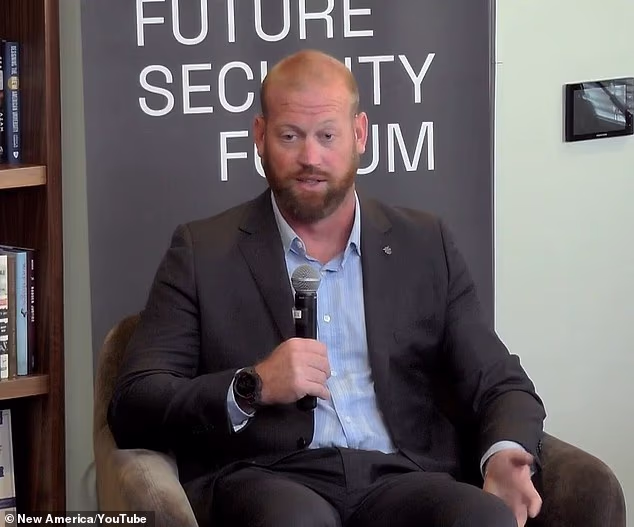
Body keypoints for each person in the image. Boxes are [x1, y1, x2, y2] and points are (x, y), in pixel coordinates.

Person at [108, 49, 546, 527]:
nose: (310, 158)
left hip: (400, 476)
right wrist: (252, 385)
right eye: (290, 136)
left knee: (482, 518)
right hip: (270, 478)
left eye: (327, 136)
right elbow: (134, 403)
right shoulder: (201, 251)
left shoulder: (425, 244)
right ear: (259, 136)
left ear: (360, 134)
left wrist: (504, 454)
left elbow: (498, 380)